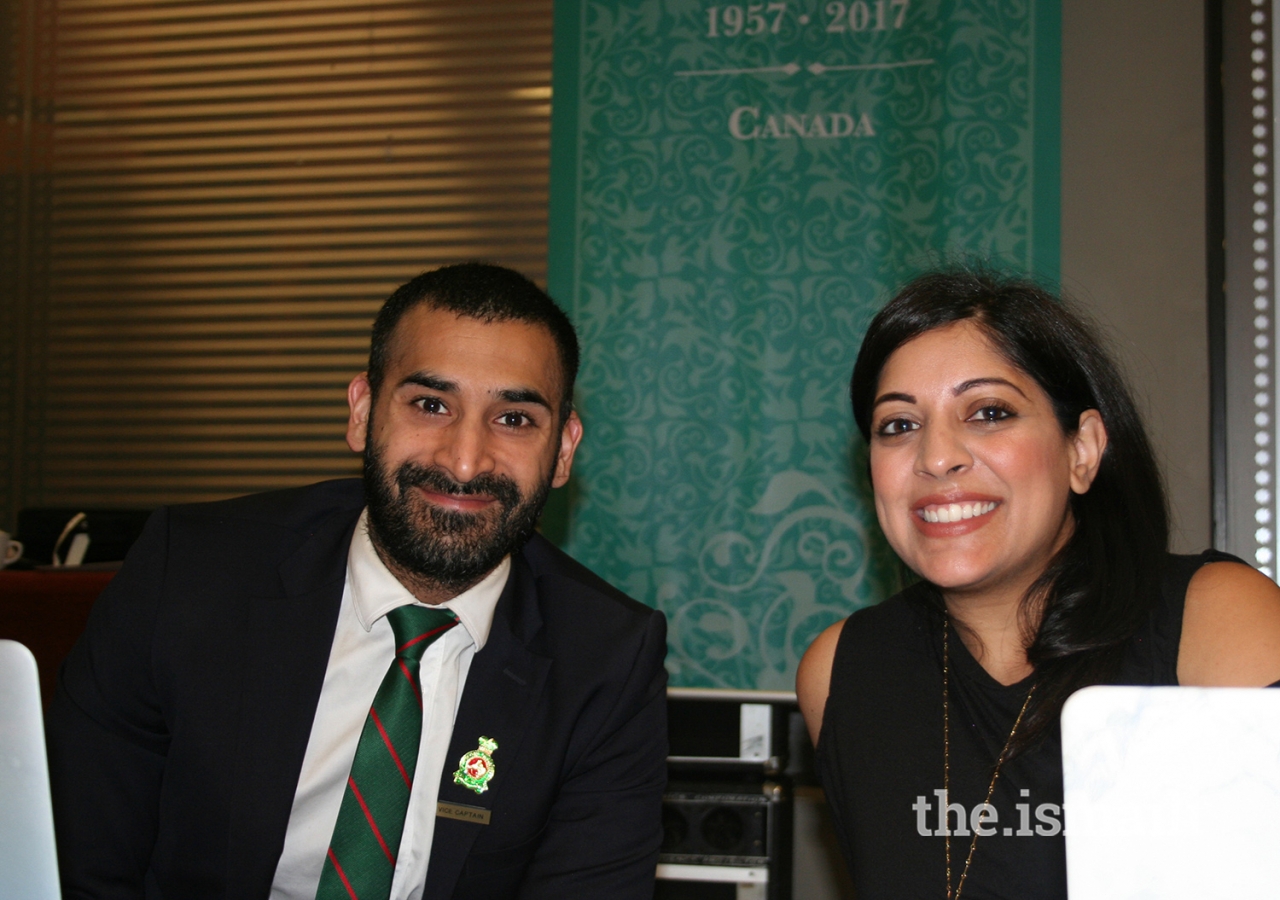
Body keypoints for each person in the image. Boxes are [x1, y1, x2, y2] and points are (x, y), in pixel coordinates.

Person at [46, 263, 669, 900]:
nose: (464, 460)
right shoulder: (190, 575)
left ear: (562, 451)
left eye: (514, 419)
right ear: (363, 412)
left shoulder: (607, 658)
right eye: (431, 405)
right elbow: (78, 864)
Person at [796, 268, 1280, 899]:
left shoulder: (1216, 620)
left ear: (1082, 450)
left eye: (989, 412)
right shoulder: (841, 670)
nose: (936, 457)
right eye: (899, 425)